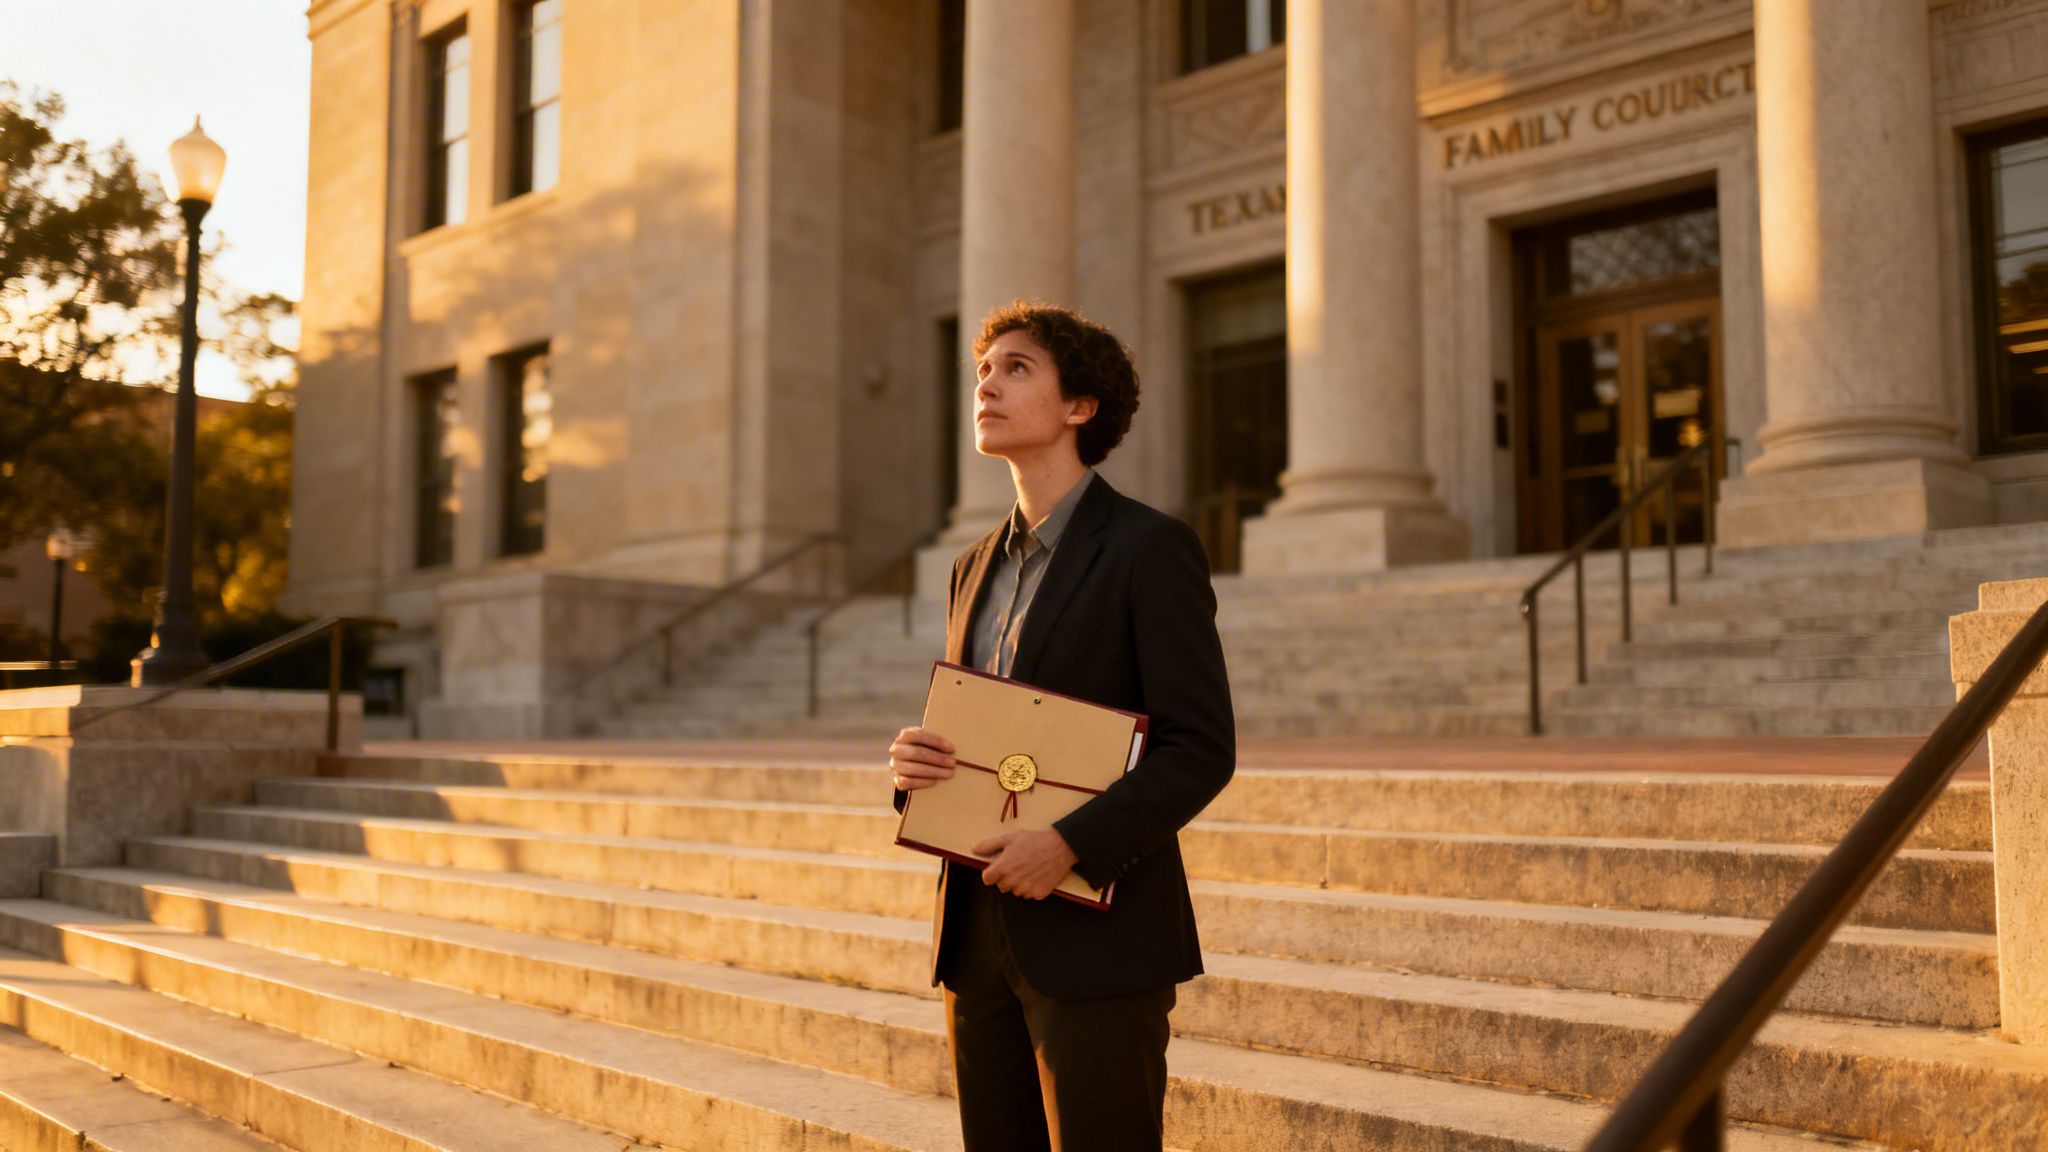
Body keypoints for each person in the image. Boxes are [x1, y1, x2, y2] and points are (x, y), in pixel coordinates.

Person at [888, 300, 1236, 1152]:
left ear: (1080, 407)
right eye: (982, 370)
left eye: (1016, 369)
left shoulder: (1151, 548)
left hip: (1098, 937)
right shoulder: (972, 566)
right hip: (975, 935)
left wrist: (1072, 843)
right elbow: (994, 735)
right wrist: (917, 766)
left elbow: (1200, 748)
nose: (986, 385)